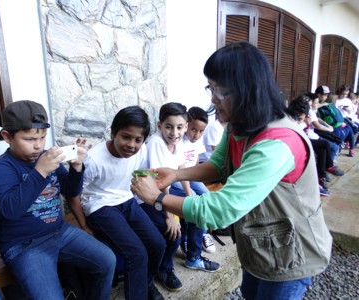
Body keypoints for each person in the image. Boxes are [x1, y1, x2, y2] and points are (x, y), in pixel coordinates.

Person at [131, 42, 332, 300]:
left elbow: (220, 210)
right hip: (260, 246)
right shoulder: (240, 125)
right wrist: (177, 174)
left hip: (290, 256)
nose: (212, 98)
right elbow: (217, 165)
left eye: (219, 90)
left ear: (247, 90)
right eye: (211, 88)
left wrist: (158, 199)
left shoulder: (279, 143)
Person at [0, 100, 116, 300]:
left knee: (107, 261)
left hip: (59, 231)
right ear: (7, 137)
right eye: (29, 139)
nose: (38, 146)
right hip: (24, 245)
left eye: (42, 137)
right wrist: (40, 172)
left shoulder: (46, 158)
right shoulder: (1, 169)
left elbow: (71, 191)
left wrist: (77, 167)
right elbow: (9, 211)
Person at [75, 106, 165, 300]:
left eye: (138, 140)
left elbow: (138, 176)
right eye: (126, 137)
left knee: (157, 243)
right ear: (113, 132)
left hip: (126, 200)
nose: (131, 145)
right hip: (100, 206)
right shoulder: (94, 159)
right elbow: (73, 193)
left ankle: (146, 283)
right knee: (136, 253)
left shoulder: (141, 151)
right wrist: (83, 225)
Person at [141, 102, 186, 292]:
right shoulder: (156, 143)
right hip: (145, 196)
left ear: (185, 126)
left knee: (192, 216)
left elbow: (183, 169)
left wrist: (190, 197)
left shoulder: (178, 142)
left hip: (159, 193)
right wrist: (170, 215)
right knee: (172, 232)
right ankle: (163, 269)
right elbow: (160, 182)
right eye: (169, 127)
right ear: (159, 126)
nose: (174, 132)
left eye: (179, 127)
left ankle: (193, 256)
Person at [169, 106, 218, 256]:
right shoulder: (178, 140)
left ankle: (203, 234)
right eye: (193, 129)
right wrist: (189, 191)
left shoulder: (197, 141)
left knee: (206, 195)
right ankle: (191, 237)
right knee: (194, 200)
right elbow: (177, 168)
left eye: (201, 131)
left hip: (191, 176)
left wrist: (199, 180)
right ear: (186, 126)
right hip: (177, 177)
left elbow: (196, 160)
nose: (197, 135)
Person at [287, 95, 344, 197]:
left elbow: (315, 121)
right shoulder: (291, 120)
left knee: (322, 151)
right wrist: (304, 122)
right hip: (302, 141)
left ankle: (321, 178)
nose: (312, 107)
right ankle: (327, 168)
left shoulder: (307, 115)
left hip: (306, 139)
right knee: (324, 145)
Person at [316, 88, 356, 157]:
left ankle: (348, 147)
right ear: (319, 95)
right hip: (330, 127)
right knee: (341, 134)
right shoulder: (321, 105)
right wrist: (330, 127)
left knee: (349, 128)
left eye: (326, 95)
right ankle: (342, 147)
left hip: (336, 124)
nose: (326, 97)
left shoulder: (328, 105)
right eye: (325, 95)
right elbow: (318, 121)